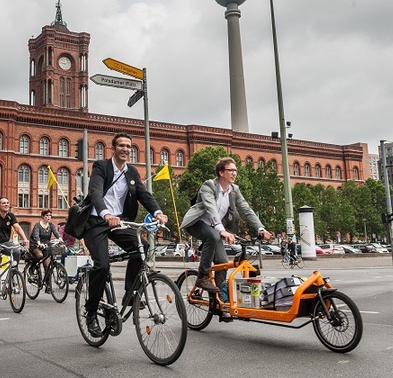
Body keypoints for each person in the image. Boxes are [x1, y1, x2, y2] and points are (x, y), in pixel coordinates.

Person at [82, 132, 168, 337]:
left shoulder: (131, 172)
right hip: (96, 221)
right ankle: (91, 313)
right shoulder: (101, 167)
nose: (125, 149)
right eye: (121, 145)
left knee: (142, 249)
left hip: (118, 222)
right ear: (114, 148)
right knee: (102, 265)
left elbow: (144, 194)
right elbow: (95, 192)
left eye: (129, 146)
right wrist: (106, 213)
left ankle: (130, 294)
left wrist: (157, 212)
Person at [181, 157, 273, 296]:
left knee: (222, 262)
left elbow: (246, 210)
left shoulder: (234, 190)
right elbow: (211, 208)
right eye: (230, 170)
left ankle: (221, 298)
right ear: (221, 173)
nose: (234, 173)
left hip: (216, 229)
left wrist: (260, 228)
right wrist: (221, 230)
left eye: (235, 170)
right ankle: (202, 276)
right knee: (212, 236)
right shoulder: (209, 186)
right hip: (197, 223)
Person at [0, 197, 31, 304]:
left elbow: (17, 227)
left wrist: (25, 238)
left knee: (16, 251)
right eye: (4, 203)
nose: (6, 204)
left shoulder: (10, 216)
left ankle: (13, 271)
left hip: (6, 243)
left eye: (7, 202)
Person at [29, 210, 60, 286]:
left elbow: (56, 233)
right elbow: (36, 235)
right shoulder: (38, 225)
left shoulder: (51, 225)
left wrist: (60, 240)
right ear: (42, 216)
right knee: (40, 256)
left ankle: (48, 285)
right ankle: (32, 267)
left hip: (46, 246)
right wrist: (39, 243)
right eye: (46, 215)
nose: (48, 217)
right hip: (35, 245)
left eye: (50, 215)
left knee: (47, 265)